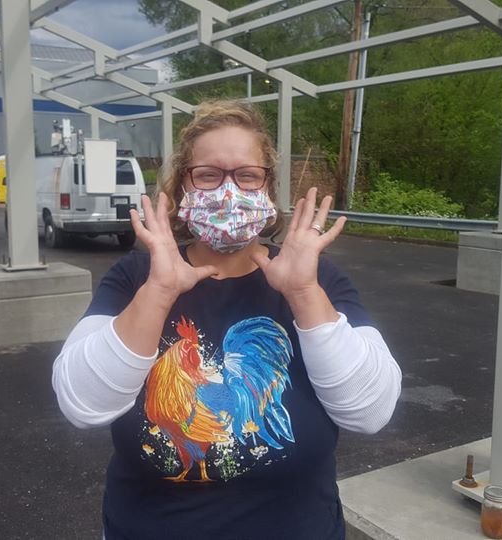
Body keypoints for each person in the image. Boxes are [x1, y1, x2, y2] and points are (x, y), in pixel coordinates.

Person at [53, 100, 401, 540]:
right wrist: (159, 292)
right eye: (209, 175)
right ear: (184, 184)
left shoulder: (319, 280)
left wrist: (304, 294)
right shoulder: (136, 277)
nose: (228, 190)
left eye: (247, 175)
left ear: (267, 187)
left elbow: (370, 412)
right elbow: (82, 404)